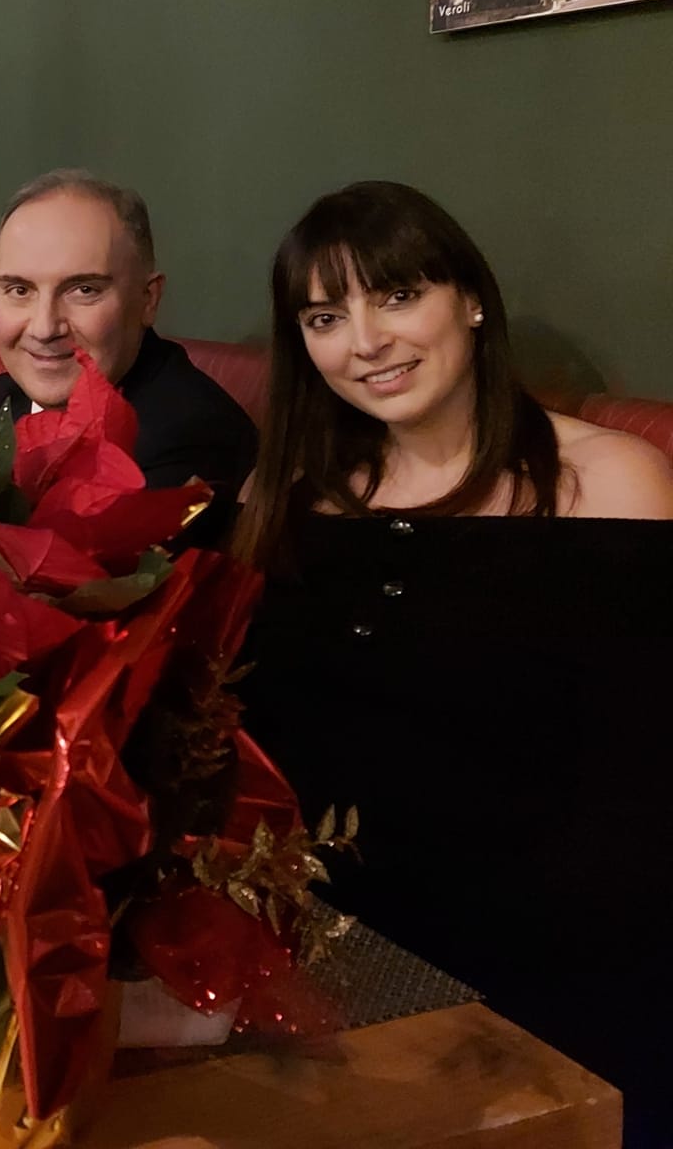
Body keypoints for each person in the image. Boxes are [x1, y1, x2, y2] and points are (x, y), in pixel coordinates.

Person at [233, 181, 673, 1145]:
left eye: (396, 296)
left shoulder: (607, 482)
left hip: (543, 960)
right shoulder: (290, 491)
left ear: (470, 299)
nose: (365, 341)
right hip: (314, 944)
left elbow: (635, 794)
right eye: (325, 317)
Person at [0, 169, 257, 539]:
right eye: (19, 290)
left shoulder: (194, 437)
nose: (43, 327)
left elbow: (56, 594)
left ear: (148, 299)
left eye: (83, 290)